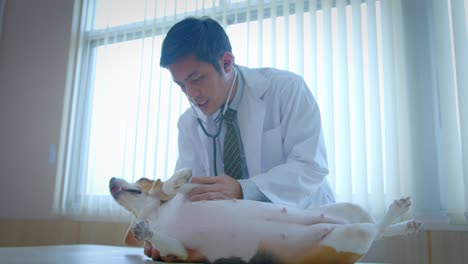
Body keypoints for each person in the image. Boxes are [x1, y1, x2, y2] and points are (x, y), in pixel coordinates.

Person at [144, 16, 335, 261]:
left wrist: (243, 189)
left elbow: (311, 167)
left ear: (226, 62)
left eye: (196, 79)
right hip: (244, 242)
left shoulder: (286, 90)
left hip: (307, 228)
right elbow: (189, 193)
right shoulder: (189, 123)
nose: (191, 95)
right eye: (181, 85)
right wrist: (163, 234)